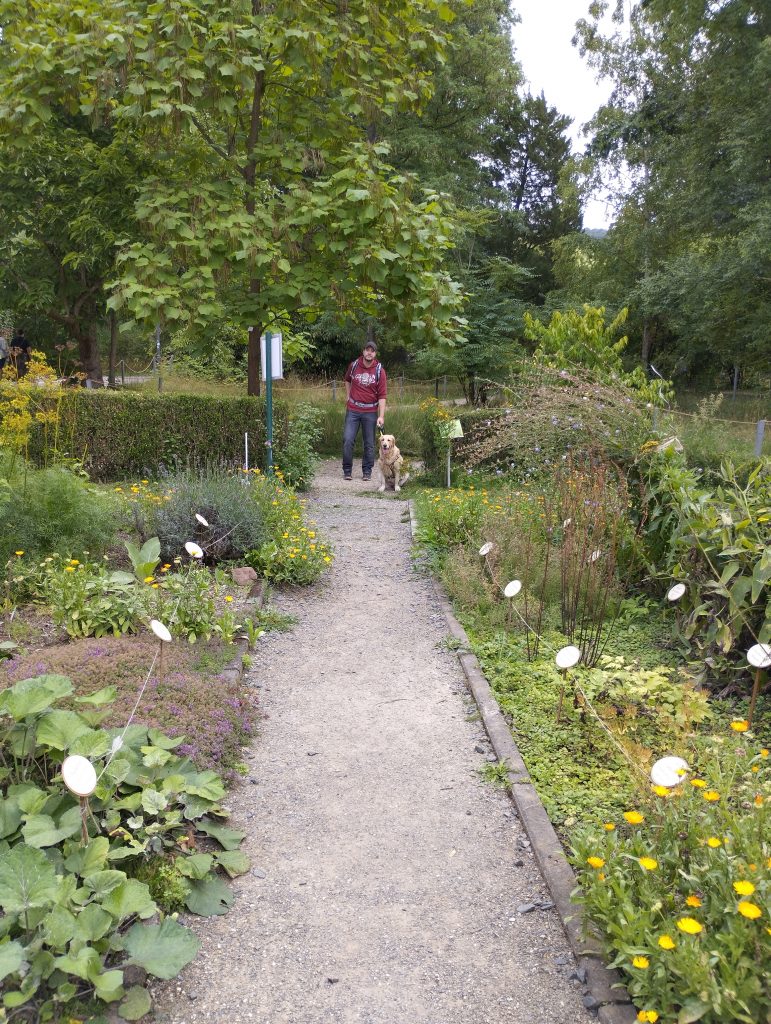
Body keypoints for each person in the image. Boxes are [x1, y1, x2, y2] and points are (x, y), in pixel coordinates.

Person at [342, 339, 387, 481]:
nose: (369, 352)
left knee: (369, 444)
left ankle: (367, 472)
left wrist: (381, 416)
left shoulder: (380, 371)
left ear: (375, 353)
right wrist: (348, 396)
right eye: (367, 350)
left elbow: (382, 395)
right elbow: (347, 380)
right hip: (353, 409)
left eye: (372, 350)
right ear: (363, 351)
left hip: (370, 412)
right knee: (348, 440)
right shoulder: (354, 365)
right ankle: (347, 471)